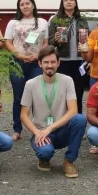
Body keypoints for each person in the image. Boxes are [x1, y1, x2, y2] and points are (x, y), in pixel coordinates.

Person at [19, 46, 87, 178]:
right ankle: (44, 157)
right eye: (46, 62)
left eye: (52, 62)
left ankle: (69, 160)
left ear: (58, 63)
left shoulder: (67, 81)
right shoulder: (30, 84)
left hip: (61, 130)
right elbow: (23, 115)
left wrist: (50, 128)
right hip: (41, 132)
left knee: (80, 119)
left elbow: (73, 110)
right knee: (45, 152)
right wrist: (37, 132)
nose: (49, 66)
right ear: (40, 63)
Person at [4, 0, 49, 140]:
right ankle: (17, 129)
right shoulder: (13, 23)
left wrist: (39, 56)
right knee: (18, 96)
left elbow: (46, 42)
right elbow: (8, 42)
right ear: (19, 7)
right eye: (22, 4)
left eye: (27, 3)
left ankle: (39, 127)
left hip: (36, 62)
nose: (25, 6)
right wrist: (19, 56)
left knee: (38, 95)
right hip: (17, 62)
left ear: (33, 5)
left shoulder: (42, 22)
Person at [47, 0, 91, 115]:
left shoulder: (82, 20)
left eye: (71, 0)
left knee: (78, 93)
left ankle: (77, 121)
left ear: (75, 3)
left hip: (79, 61)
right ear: (62, 3)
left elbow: (89, 37)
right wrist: (55, 39)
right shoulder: (56, 19)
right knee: (62, 93)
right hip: (63, 61)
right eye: (66, 0)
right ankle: (61, 122)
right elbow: (50, 42)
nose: (69, 2)